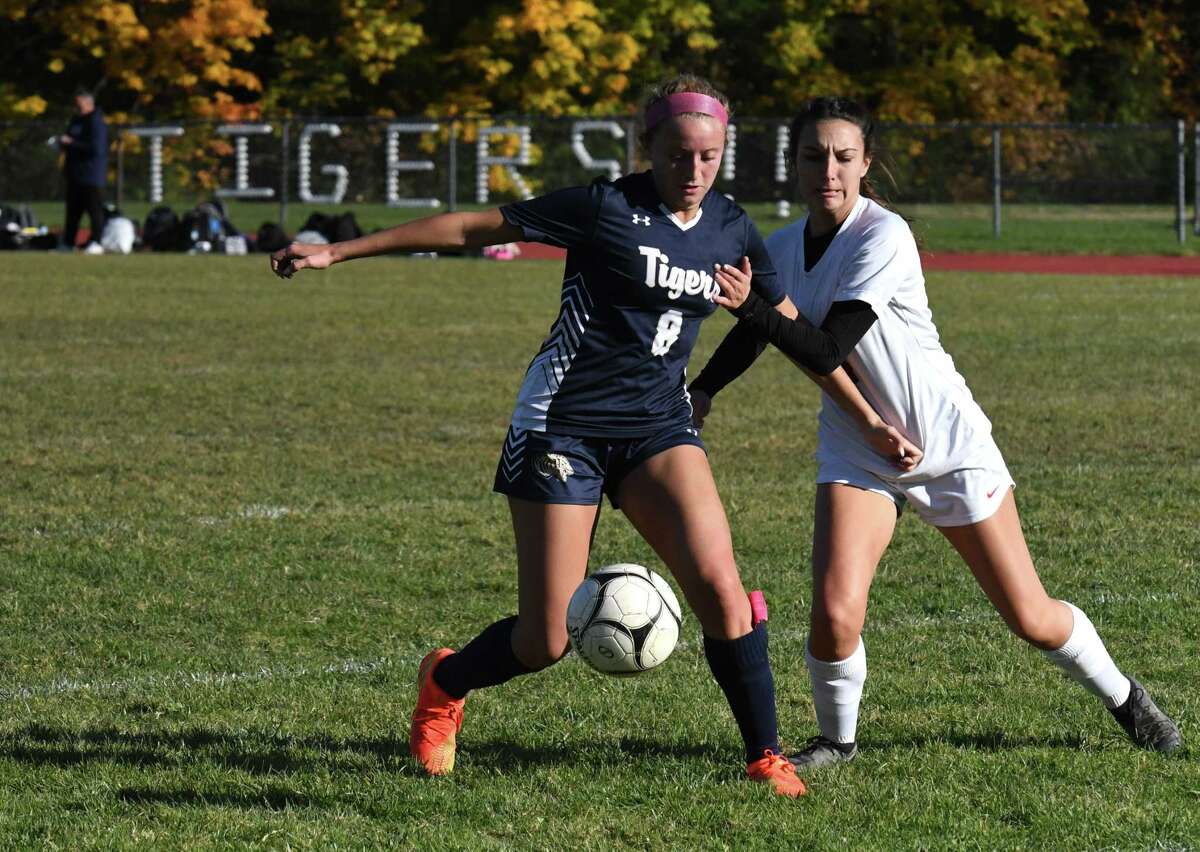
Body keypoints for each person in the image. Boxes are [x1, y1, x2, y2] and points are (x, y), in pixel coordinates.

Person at [271, 76, 921, 797]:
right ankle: (444, 682)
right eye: (679, 155)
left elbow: (798, 336)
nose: (694, 170)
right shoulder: (603, 207)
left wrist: (867, 419)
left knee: (725, 593)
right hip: (562, 427)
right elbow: (469, 228)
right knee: (544, 640)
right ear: (649, 148)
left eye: (709, 156)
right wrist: (339, 251)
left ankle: (765, 756)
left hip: (658, 427)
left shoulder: (732, 228)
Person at [688, 96, 1182, 771]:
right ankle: (837, 742)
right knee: (834, 615)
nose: (826, 170)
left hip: (946, 446)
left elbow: (827, 345)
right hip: (859, 446)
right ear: (794, 164)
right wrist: (706, 388)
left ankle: (1126, 698)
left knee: (1030, 616)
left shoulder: (883, 235)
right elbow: (759, 330)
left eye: (842, 156)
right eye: (812, 156)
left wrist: (756, 306)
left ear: (866, 164)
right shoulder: (780, 246)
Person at [60, 87, 109, 253]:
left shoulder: (96, 122)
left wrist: (71, 143)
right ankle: (68, 242)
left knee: (94, 210)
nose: (76, 109)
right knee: (73, 212)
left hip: (91, 174)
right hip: (75, 173)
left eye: (79, 105)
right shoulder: (76, 120)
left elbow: (97, 149)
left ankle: (97, 242)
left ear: (89, 104)